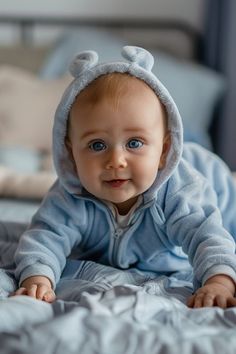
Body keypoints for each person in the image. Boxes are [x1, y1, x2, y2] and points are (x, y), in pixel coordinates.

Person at [13, 46, 236, 308]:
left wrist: (219, 280)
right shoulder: (70, 195)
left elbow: (206, 234)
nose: (116, 161)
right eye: (97, 145)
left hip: (220, 192)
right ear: (71, 154)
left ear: (164, 151)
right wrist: (37, 277)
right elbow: (46, 236)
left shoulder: (178, 192)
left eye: (134, 143)